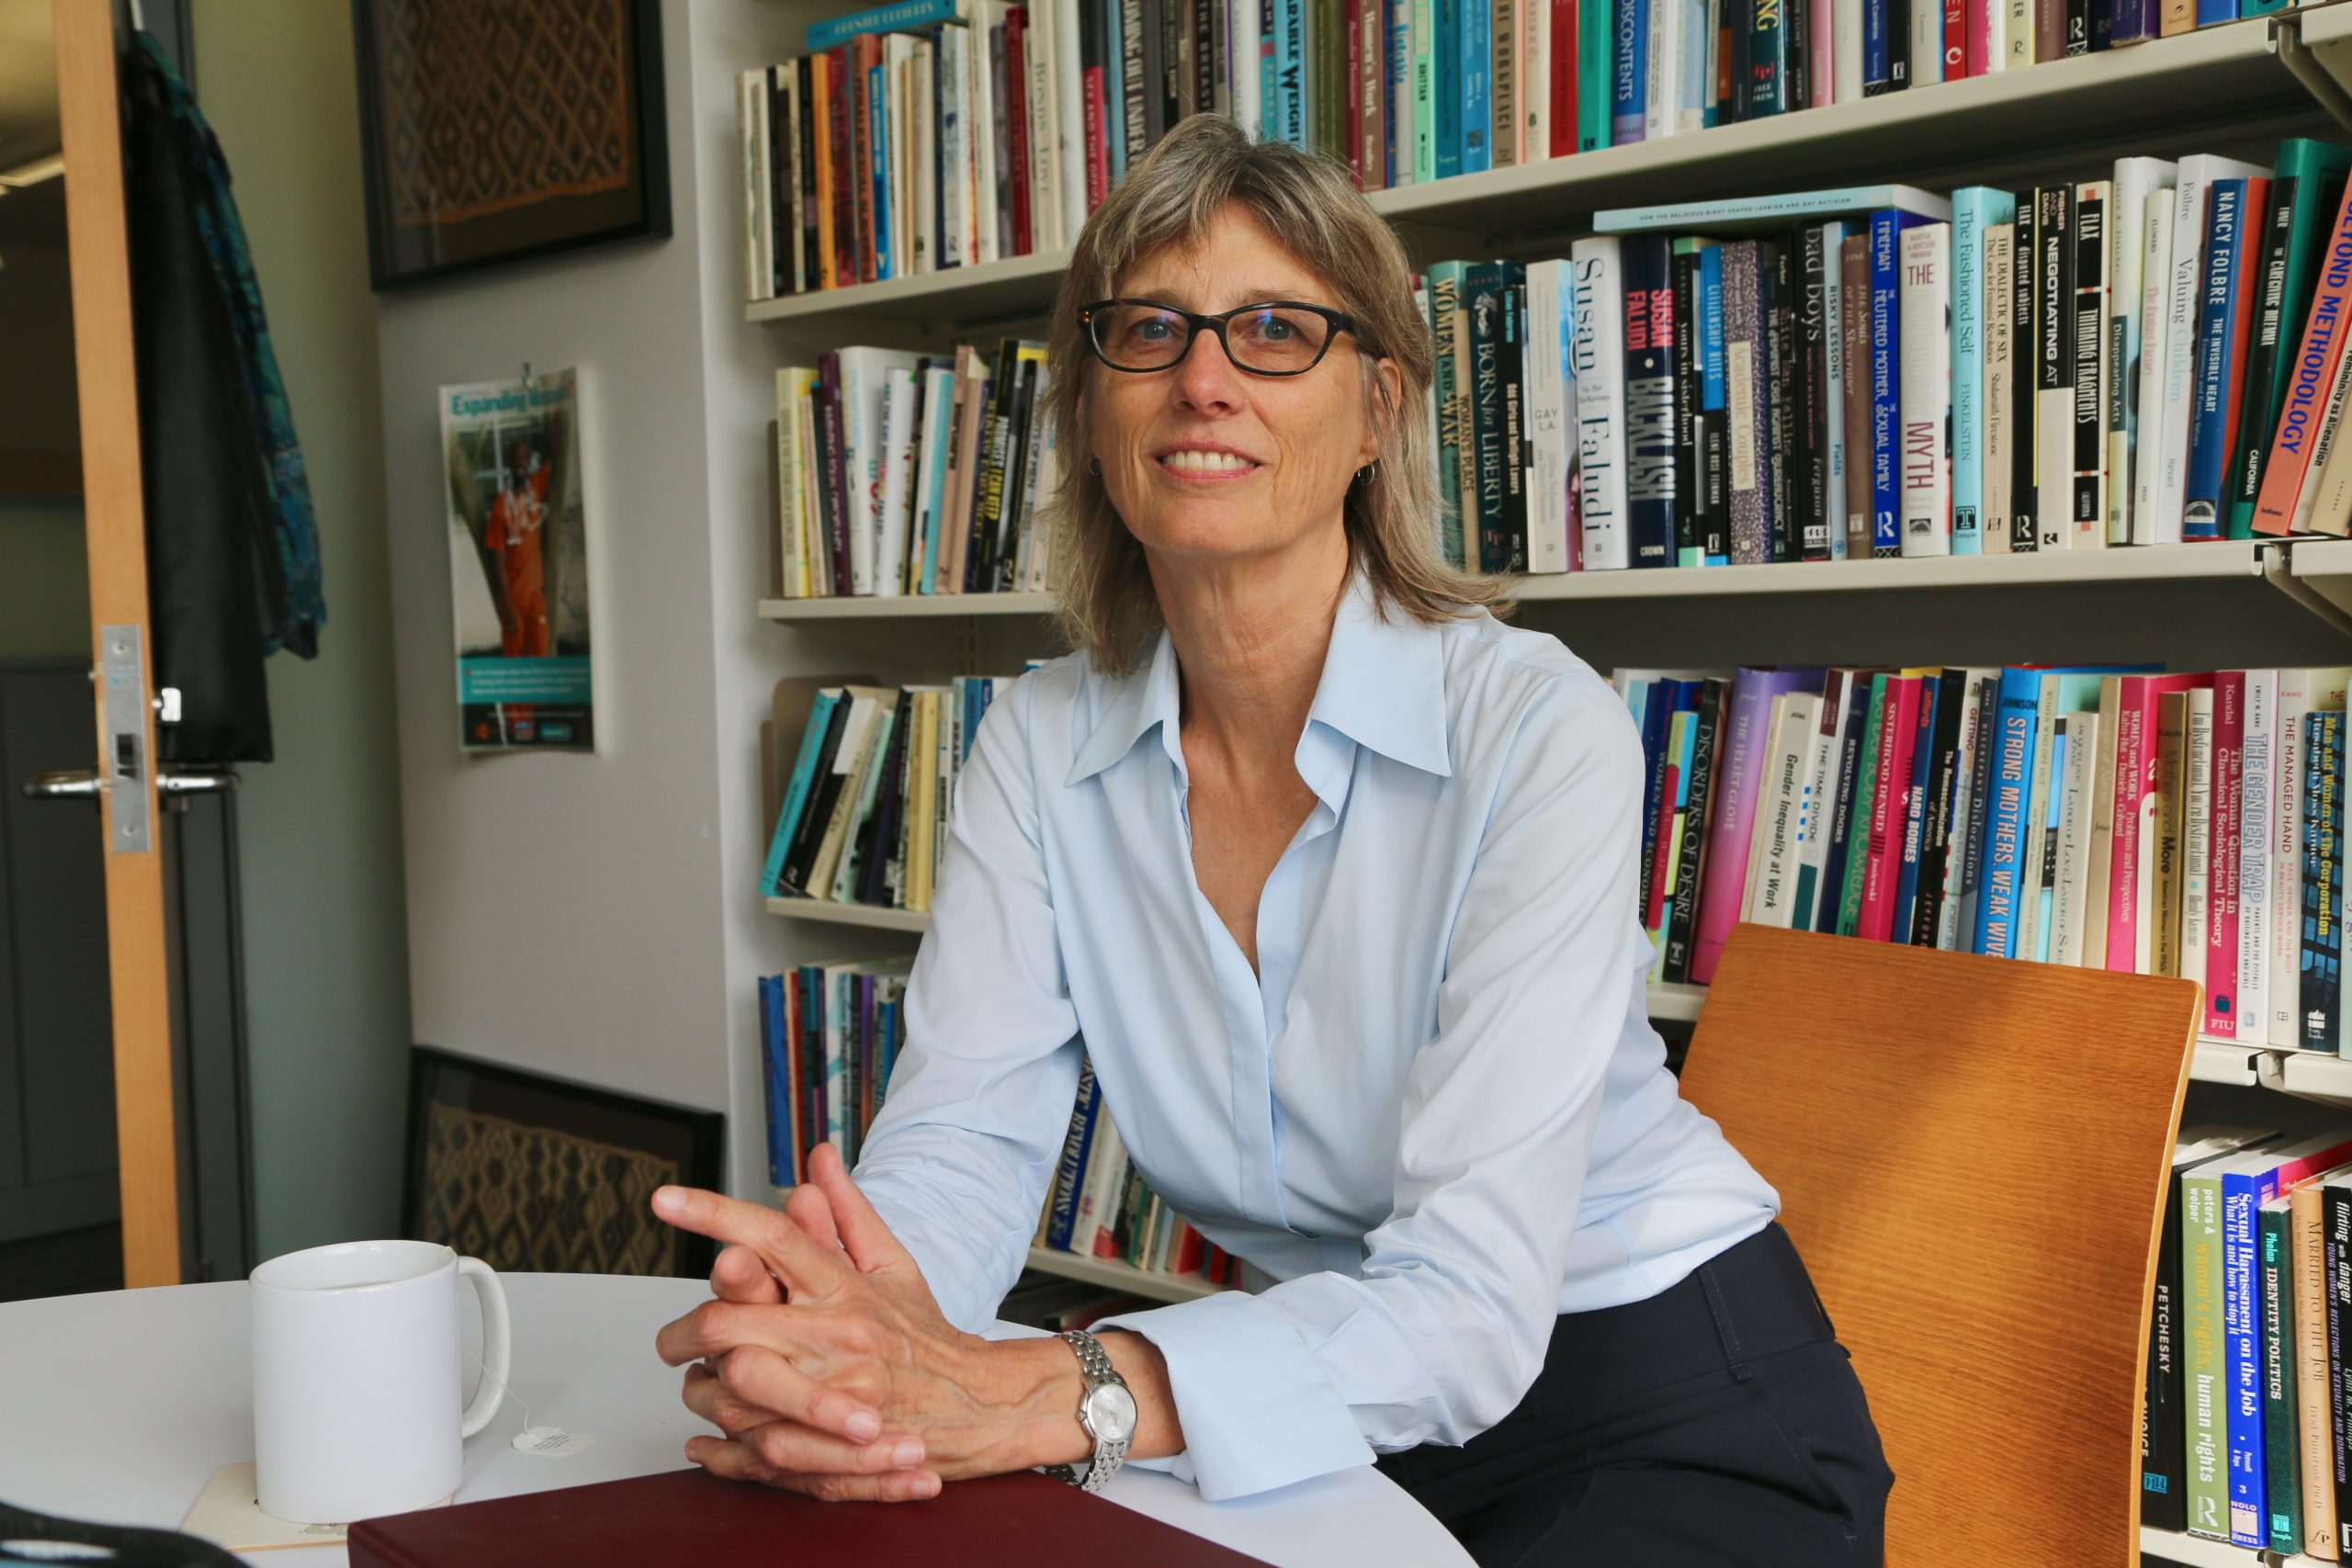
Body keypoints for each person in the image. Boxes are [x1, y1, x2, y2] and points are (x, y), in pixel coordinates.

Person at [648, 114, 1894, 1566]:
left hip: (1658, 1391)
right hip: (1327, 1404)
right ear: (1091, 412)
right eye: (1150, 328)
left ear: (1376, 408)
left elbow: (1474, 1298)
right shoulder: (1038, 743)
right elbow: (964, 1139)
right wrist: (856, 1333)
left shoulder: (1536, 729)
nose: (1203, 379)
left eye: (1276, 331)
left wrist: (1040, 1391)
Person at [484, 437, 550, 659]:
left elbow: (555, 456)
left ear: (530, 460)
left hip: (535, 594)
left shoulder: (537, 486)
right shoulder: (501, 505)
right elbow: (498, 561)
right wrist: (510, 610)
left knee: (542, 655)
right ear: (509, 463)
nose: (521, 463)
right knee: (514, 661)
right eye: (516, 458)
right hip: (514, 598)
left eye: (525, 457)